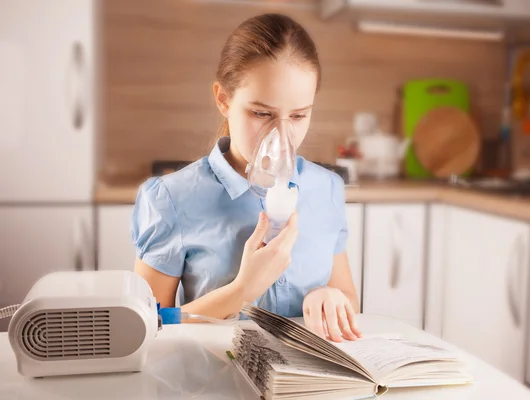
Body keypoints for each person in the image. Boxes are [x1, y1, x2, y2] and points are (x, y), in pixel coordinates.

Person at [131, 13, 361, 342]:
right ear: (223, 99)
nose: (282, 135)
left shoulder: (327, 188)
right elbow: (144, 325)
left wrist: (329, 298)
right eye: (261, 113)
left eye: (298, 115)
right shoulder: (171, 198)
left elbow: (348, 299)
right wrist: (242, 290)